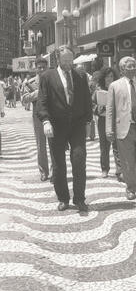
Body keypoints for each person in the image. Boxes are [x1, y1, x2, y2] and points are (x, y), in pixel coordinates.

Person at [37, 45, 93, 212]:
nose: (69, 64)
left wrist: (89, 122)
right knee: (58, 164)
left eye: (71, 60)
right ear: (58, 59)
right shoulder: (47, 76)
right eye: (65, 60)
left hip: (77, 125)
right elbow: (42, 101)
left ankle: (79, 198)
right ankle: (63, 198)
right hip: (56, 125)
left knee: (79, 160)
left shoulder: (80, 75)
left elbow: (86, 100)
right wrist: (45, 121)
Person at [106, 56, 136, 200]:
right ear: (122, 69)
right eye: (129, 66)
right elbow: (110, 110)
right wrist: (109, 129)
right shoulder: (115, 86)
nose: (133, 68)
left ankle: (128, 175)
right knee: (127, 160)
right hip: (123, 129)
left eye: (134, 65)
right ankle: (131, 187)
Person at [22, 57, 50, 182]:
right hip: (38, 116)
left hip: (53, 116)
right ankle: (43, 171)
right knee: (41, 145)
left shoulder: (53, 80)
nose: (42, 69)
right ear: (36, 68)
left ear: (47, 67)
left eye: (44, 67)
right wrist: (39, 92)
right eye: (39, 67)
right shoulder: (30, 83)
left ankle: (56, 171)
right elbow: (24, 99)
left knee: (55, 144)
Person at [92, 67, 122, 179]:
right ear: (103, 78)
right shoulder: (98, 91)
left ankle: (119, 169)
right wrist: (98, 108)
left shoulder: (118, 89)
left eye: (111, 76)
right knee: (104, 146)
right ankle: (105, 168)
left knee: (117, 145)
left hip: (116, 120)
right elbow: (92, 104)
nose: (109, 79)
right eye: (107, 77)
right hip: (103, 120)